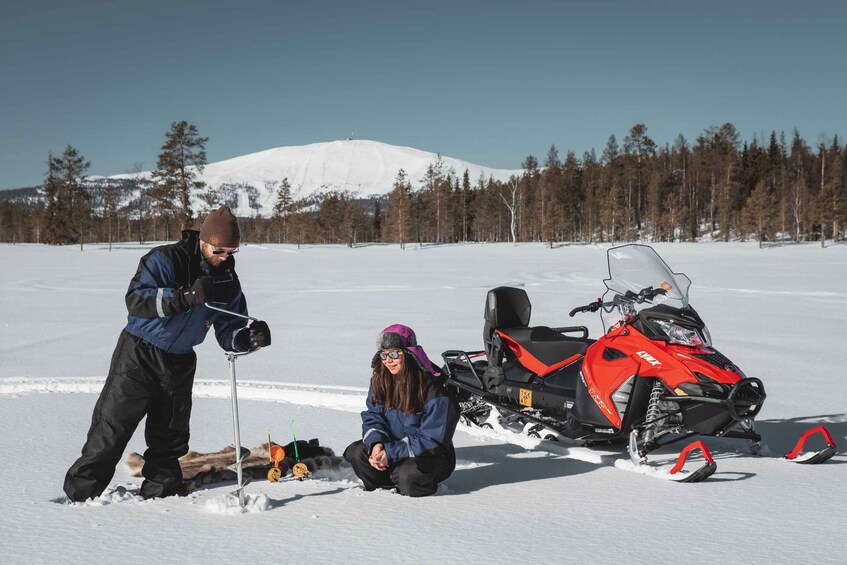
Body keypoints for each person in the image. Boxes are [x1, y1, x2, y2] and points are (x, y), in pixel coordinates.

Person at [63, 206, 272, 502]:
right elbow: (136, 300)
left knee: (170, 440)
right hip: (139, 353)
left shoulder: (227, 281)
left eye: (232, 252)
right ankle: (79, 497)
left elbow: (230, 331)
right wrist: (184, 298)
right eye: (220, 250)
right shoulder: (165, 259)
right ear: (204, 239)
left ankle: (159, 504)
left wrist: (250, 339)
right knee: (111, 430)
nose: (225, 257)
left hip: (180, 361)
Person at [344, 324, 459, 497]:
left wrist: (390, 453)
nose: (388, 360)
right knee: (357, 452)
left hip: (430, 456)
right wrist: (377, 445)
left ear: (410, 354)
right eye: (384, 355)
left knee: (409, 475)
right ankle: (387, 484)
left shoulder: (434, 390)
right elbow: (374, 416)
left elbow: (432, 439)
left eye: (394, 354)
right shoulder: (380, 380)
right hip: (393, 450)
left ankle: (407, 482)